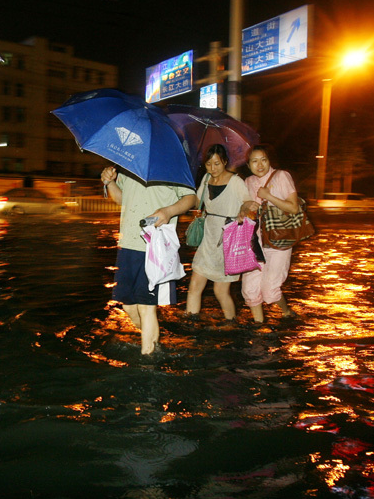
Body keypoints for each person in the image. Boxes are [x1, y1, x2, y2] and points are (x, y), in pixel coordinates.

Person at [101, 166, 196, 355]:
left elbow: (191, 198)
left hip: (156, 246)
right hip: (128, 243)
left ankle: (148, 359)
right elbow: (123, 199)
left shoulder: (172, 166)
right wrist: (110, 182)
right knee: (128, 305)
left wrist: (168, 212)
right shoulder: (130, 165)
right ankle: (153, 342)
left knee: (146, 306)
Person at [185, 144, 251, 322]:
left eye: (217, 163)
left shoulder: (236, 181)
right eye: (208, 164)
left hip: (228, 237)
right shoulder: (206, 179)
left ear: (225, 162)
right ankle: (191, 325)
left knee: (220, 291)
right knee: (194, 286)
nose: (213, 168)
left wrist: (243, 211)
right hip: (208, 237)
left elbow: (247, 201)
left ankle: (232, 324)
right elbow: (197, 201)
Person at [240, 144, 299, 324]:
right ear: (248, 165)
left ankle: (287, 312)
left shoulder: (281, 176)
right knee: (249, 289)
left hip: (278, 241)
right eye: (254, 161)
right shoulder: (247, 182)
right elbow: (242, 212)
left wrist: (269, 196)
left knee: (270, 290)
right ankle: (259, 325)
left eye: (263, 159)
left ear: (269, 160)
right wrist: (245, 208)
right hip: (254, 241)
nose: (259, 165)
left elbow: (293, 208)